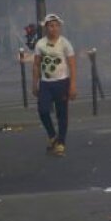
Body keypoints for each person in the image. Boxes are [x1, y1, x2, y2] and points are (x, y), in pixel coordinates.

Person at [33, 14, 77, 157]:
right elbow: (36, 64)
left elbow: (72, 64)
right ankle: (52, 135)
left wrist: (73, 85)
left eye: (57, 25)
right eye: (51, 26)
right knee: (43, 110)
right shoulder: (40, 44)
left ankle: (61, 143)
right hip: (46, 83)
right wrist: (35, 84)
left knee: (62, 114)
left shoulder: (65, 43)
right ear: (46, 28)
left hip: (62, 82)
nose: (55, 28)